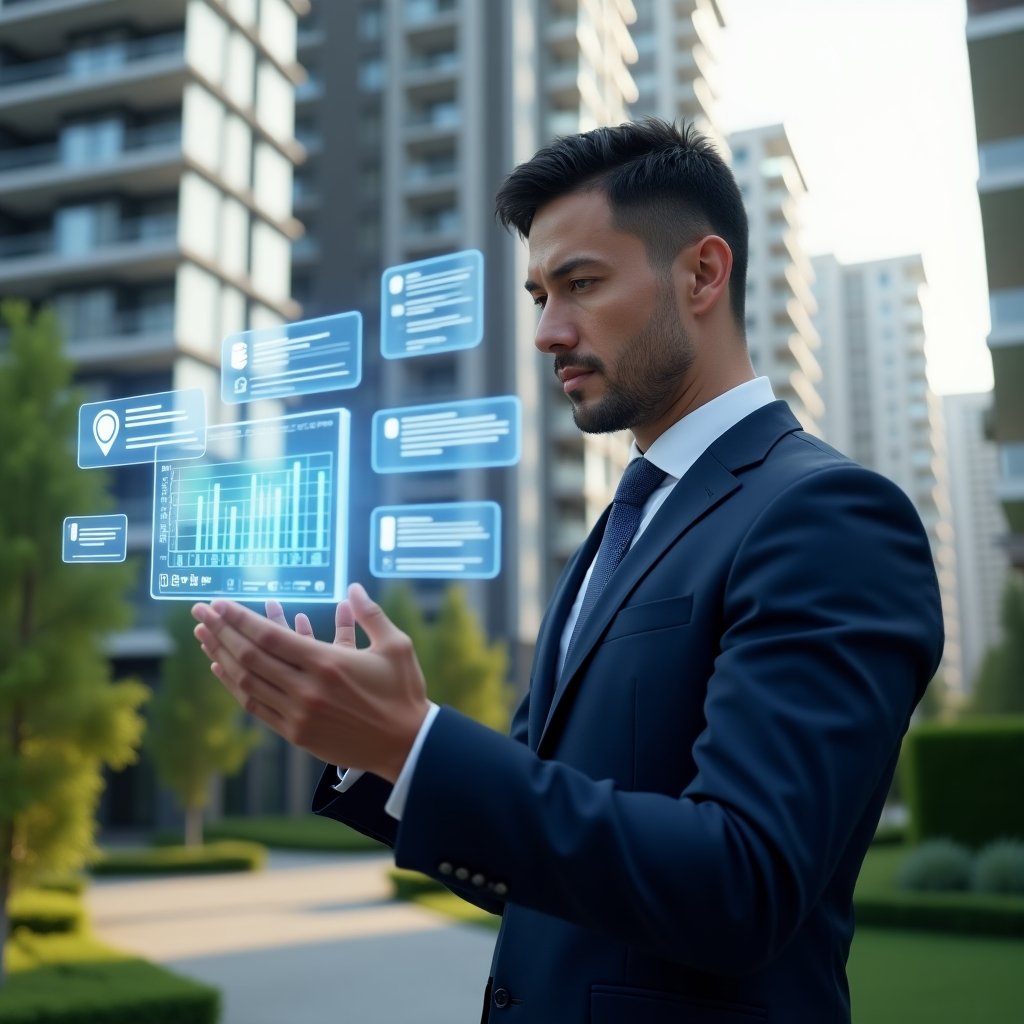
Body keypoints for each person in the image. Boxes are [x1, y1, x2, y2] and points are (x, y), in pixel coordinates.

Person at [192, 118, 944, 1023]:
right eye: (539, 294)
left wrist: (414, 741)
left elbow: (745, 882)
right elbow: (552, 854)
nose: (548, 332)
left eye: (581, 284)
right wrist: (376, 756)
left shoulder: (829, 516)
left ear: (703, 273)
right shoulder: (620, 527)